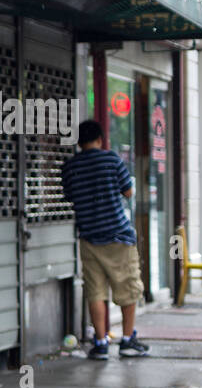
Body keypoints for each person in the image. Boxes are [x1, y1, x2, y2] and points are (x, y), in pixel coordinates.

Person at [61, 119, 150, 360]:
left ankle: (101, 343)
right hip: (118, 236)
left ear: (79, 142)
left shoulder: (70, 167)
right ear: (100, 139)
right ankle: (128, 340)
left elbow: (69, 195)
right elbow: (128, 191)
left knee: (96, 291)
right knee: (128, 288)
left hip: (89, 237)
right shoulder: (111, 159)